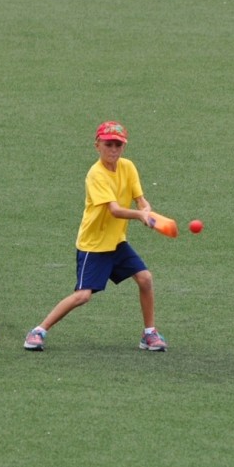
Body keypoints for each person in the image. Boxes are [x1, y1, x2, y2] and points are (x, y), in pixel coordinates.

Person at [24, 121, 169, 352]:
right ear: (97, 145)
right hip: (94, 245)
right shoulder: (96, 174)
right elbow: (115, 210)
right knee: (82, 296)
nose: (113, 149)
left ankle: (149, 334)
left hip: (117, 243)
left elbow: (140, 198)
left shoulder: (128, 167)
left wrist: (146, 209)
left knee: (145, 279)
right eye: (108, 144)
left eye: (118, 145)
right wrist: (141, 216)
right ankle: (39, 330)